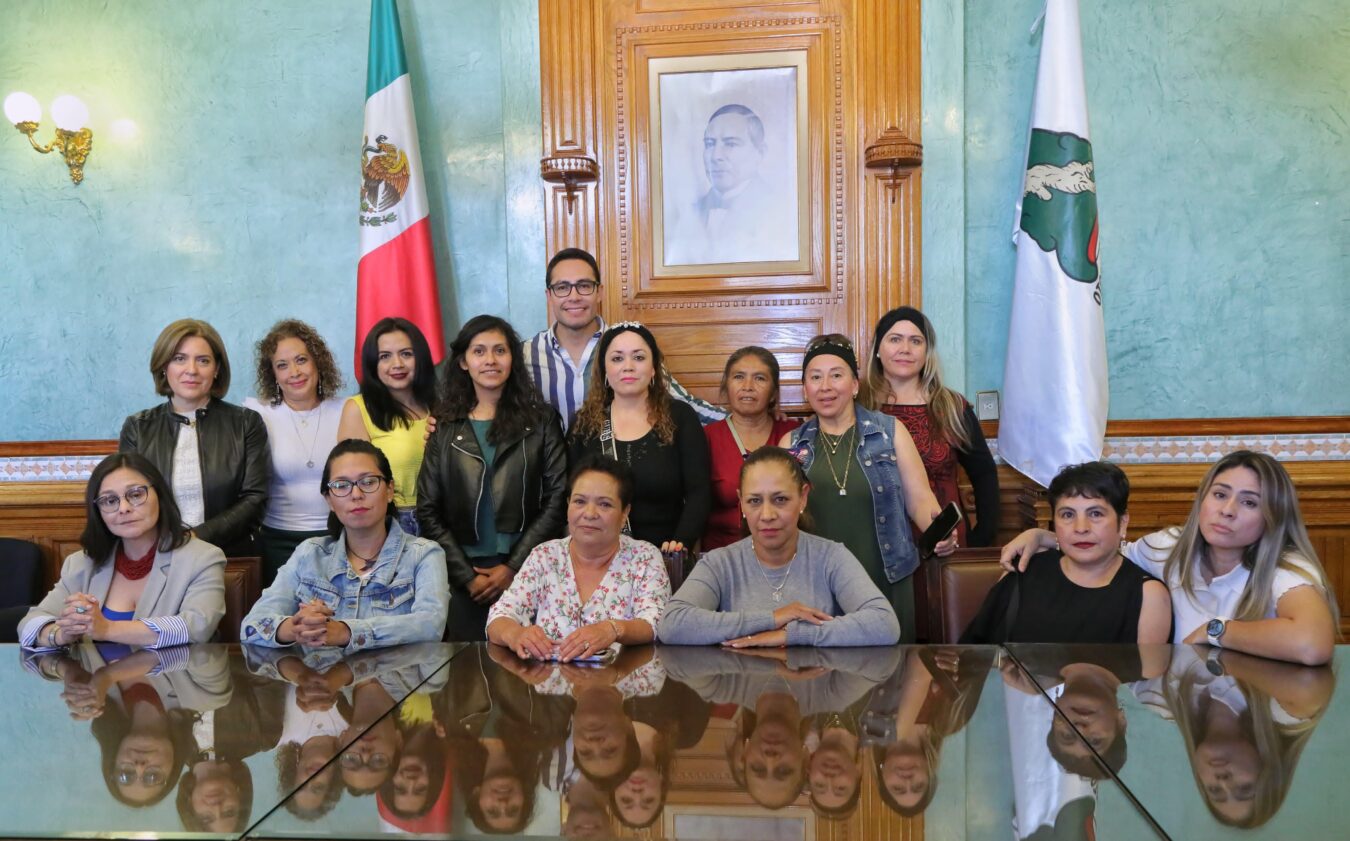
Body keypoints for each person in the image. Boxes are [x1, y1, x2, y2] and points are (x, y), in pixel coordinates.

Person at [1001, 450, 1339, 665]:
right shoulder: (1167, 548)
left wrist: (1215, 631)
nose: (1227, 511)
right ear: (1202, 499)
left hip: (1254, 718)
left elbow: (1312, 644)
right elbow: (1105, 549)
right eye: (1220, 494)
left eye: (1249, 502)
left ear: (1272, 515)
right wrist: (1042, 535)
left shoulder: (1287, 568)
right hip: (1181, 717)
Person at [780, 334, 955, 642]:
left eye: (837, 375)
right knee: (823, 677)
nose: (826, 386)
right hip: (817, 583)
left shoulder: (889, 432)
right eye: (815, 377)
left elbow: (920, 499)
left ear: (855, 384)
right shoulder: (792, 445)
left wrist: (939, 531)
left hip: (885, 575)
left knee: (891, 678)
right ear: (805, 388)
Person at [417, 315, 568, 641]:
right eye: (479, 351)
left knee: (527, 678)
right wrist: (465, 575)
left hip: (528, 570)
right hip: (463, 576)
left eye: (500, 350)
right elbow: (427, 508)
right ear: (462, 362)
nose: (490, 360)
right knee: (466, 681)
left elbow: (558, 498)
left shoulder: (541, 421)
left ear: (513, 359)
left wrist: (513, 567)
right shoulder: (444, 425)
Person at [657, 446, 900, 647]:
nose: (767, 514)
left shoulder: (831, 556)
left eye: (780, 499)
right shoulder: (720, 562)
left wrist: (792, 635)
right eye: (754, 501)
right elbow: (672, 624)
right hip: (741, 695)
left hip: (816, 697)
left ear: (803, 497)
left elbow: (884, 624)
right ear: (740, 503)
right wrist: (773, 618)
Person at [239, 439, 449, 650]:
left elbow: (431, 625)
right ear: (329, 500)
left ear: (389, 490)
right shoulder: (309, 553)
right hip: (321, 679)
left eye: (368, 482)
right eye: (341, 486)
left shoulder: (424, 554)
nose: (356, 495)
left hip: (398, 681)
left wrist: (347, 632)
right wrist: (297, 627)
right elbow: (251, 627)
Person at [20, 452, 226, 650]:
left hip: (174, 682)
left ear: (160, 496)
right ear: (99, 511)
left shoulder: (202, 558)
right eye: (110, 500)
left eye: (135, 494)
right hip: (102, 684)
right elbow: (29, 624)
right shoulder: (82, 564)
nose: (124, 508)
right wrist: (61, 634)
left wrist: (108, 629)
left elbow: (198, 627)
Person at [961, 461, 1172, 644]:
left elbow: (1146, 687)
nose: (1081, 528)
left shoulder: (1148, 596)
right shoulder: (1025, 570)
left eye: (1096, 513)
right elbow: (975, 656)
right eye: (1068, 514)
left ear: (1122, 522)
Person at [486, 454, 670, 661]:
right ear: (567, 505)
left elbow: (656, 622)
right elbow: (499, 617)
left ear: (625, 512)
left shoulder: (644, 557)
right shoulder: (545, 556)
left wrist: (613, 629)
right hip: (549, 687)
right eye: (580, 501)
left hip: (619, 685)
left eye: (605, 504)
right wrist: (517, 634)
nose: (590, 513)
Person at [522, 247, 725, 431]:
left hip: (613, 468)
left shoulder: (630, 347)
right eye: (562, 287)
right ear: (549, 296)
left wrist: (743, 426)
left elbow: (684, 404)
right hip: (547, 471)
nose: (574, 296)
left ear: (599, 292)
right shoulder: (525, 355)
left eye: (584, 286)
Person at [119, 318, 269, 557]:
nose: (192, 370)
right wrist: (167, 542)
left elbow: (255, 499)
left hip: (229, 557)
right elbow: (129, 497)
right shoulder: (138, 428)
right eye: (179, 359)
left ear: (217, 369)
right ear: (163, 366)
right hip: (157, 555)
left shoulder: (246, 423)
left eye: (203, 360)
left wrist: (195, 538)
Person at [568, 321, 712, 568]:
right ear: (604, 369)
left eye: (638, 357)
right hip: (600, 562)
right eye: (617, 358)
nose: (628, 367)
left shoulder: (680, 417)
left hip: (666, 560)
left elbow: (700, 493)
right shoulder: (584, 424)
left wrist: (680, 544)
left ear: (654, 367)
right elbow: (570, 496)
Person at [860, 306, 999, 546]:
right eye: (895, 339)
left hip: (945, 543)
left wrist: (982, 538)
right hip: (876, 544)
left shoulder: (952, 407)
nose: (905, 349)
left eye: (916, 341)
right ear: (878, 351)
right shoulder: (858, 407)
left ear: (927, 352)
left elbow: (984, 473)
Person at [245, 319, 346, 586]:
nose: (294, 371)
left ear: (318, 363)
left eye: (301, 360)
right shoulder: (259, 413)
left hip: (338, 539)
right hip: (277, 542)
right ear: (273, 374)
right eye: (282, 365)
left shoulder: (346, 410)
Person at [664, 104, 799, 266]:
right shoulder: (688, 214)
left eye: (731, 144)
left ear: (760, 153)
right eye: (710, 144)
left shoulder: (781, 212)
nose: (716, 156)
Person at [338, 316, 436, 536]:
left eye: (406, 354)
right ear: (373, 364)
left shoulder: (438, 406)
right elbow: (352, 482)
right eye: (385, 356)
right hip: (390, 521)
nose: (397, 364)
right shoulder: (358, 409)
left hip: (441, 520)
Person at [702, 347, 800, 550]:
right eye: (739, 377)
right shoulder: (706, 438)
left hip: (784, 554)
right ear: (726, 386)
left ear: (774, 392)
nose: (748, 386)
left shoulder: (794, 434)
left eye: (760, 378)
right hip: (722, 556)